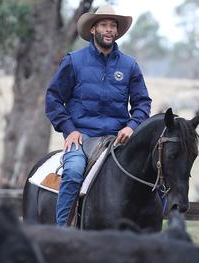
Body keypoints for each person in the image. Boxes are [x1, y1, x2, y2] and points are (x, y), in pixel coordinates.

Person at [45, 4, 152, 227]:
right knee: (73, 172)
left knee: (150, 172)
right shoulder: (73, 61)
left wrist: (132, 126)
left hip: (118, 139)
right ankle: (63, 230)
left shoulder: (130, 66)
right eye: (103, 24)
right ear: (93, 29)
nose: (109, 29)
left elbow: (142, 103)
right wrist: (69, 129)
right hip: (82, 137)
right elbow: (54, 99)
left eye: (113, 25)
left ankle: (154, 228)